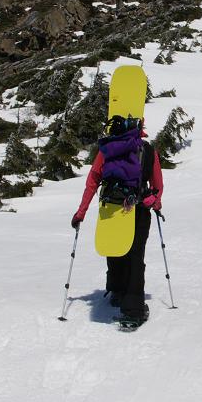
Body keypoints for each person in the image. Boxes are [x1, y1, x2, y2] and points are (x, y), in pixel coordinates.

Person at [72, 117, 164, 325]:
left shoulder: (108, 149)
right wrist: (155, 204)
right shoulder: (148, 151)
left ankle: (117, 291)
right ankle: (133, 310)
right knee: (135, 256)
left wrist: (81, 212)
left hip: (111, 208)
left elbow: (93, 180)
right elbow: (157, 184)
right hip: (138, 209)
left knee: (114, 248)